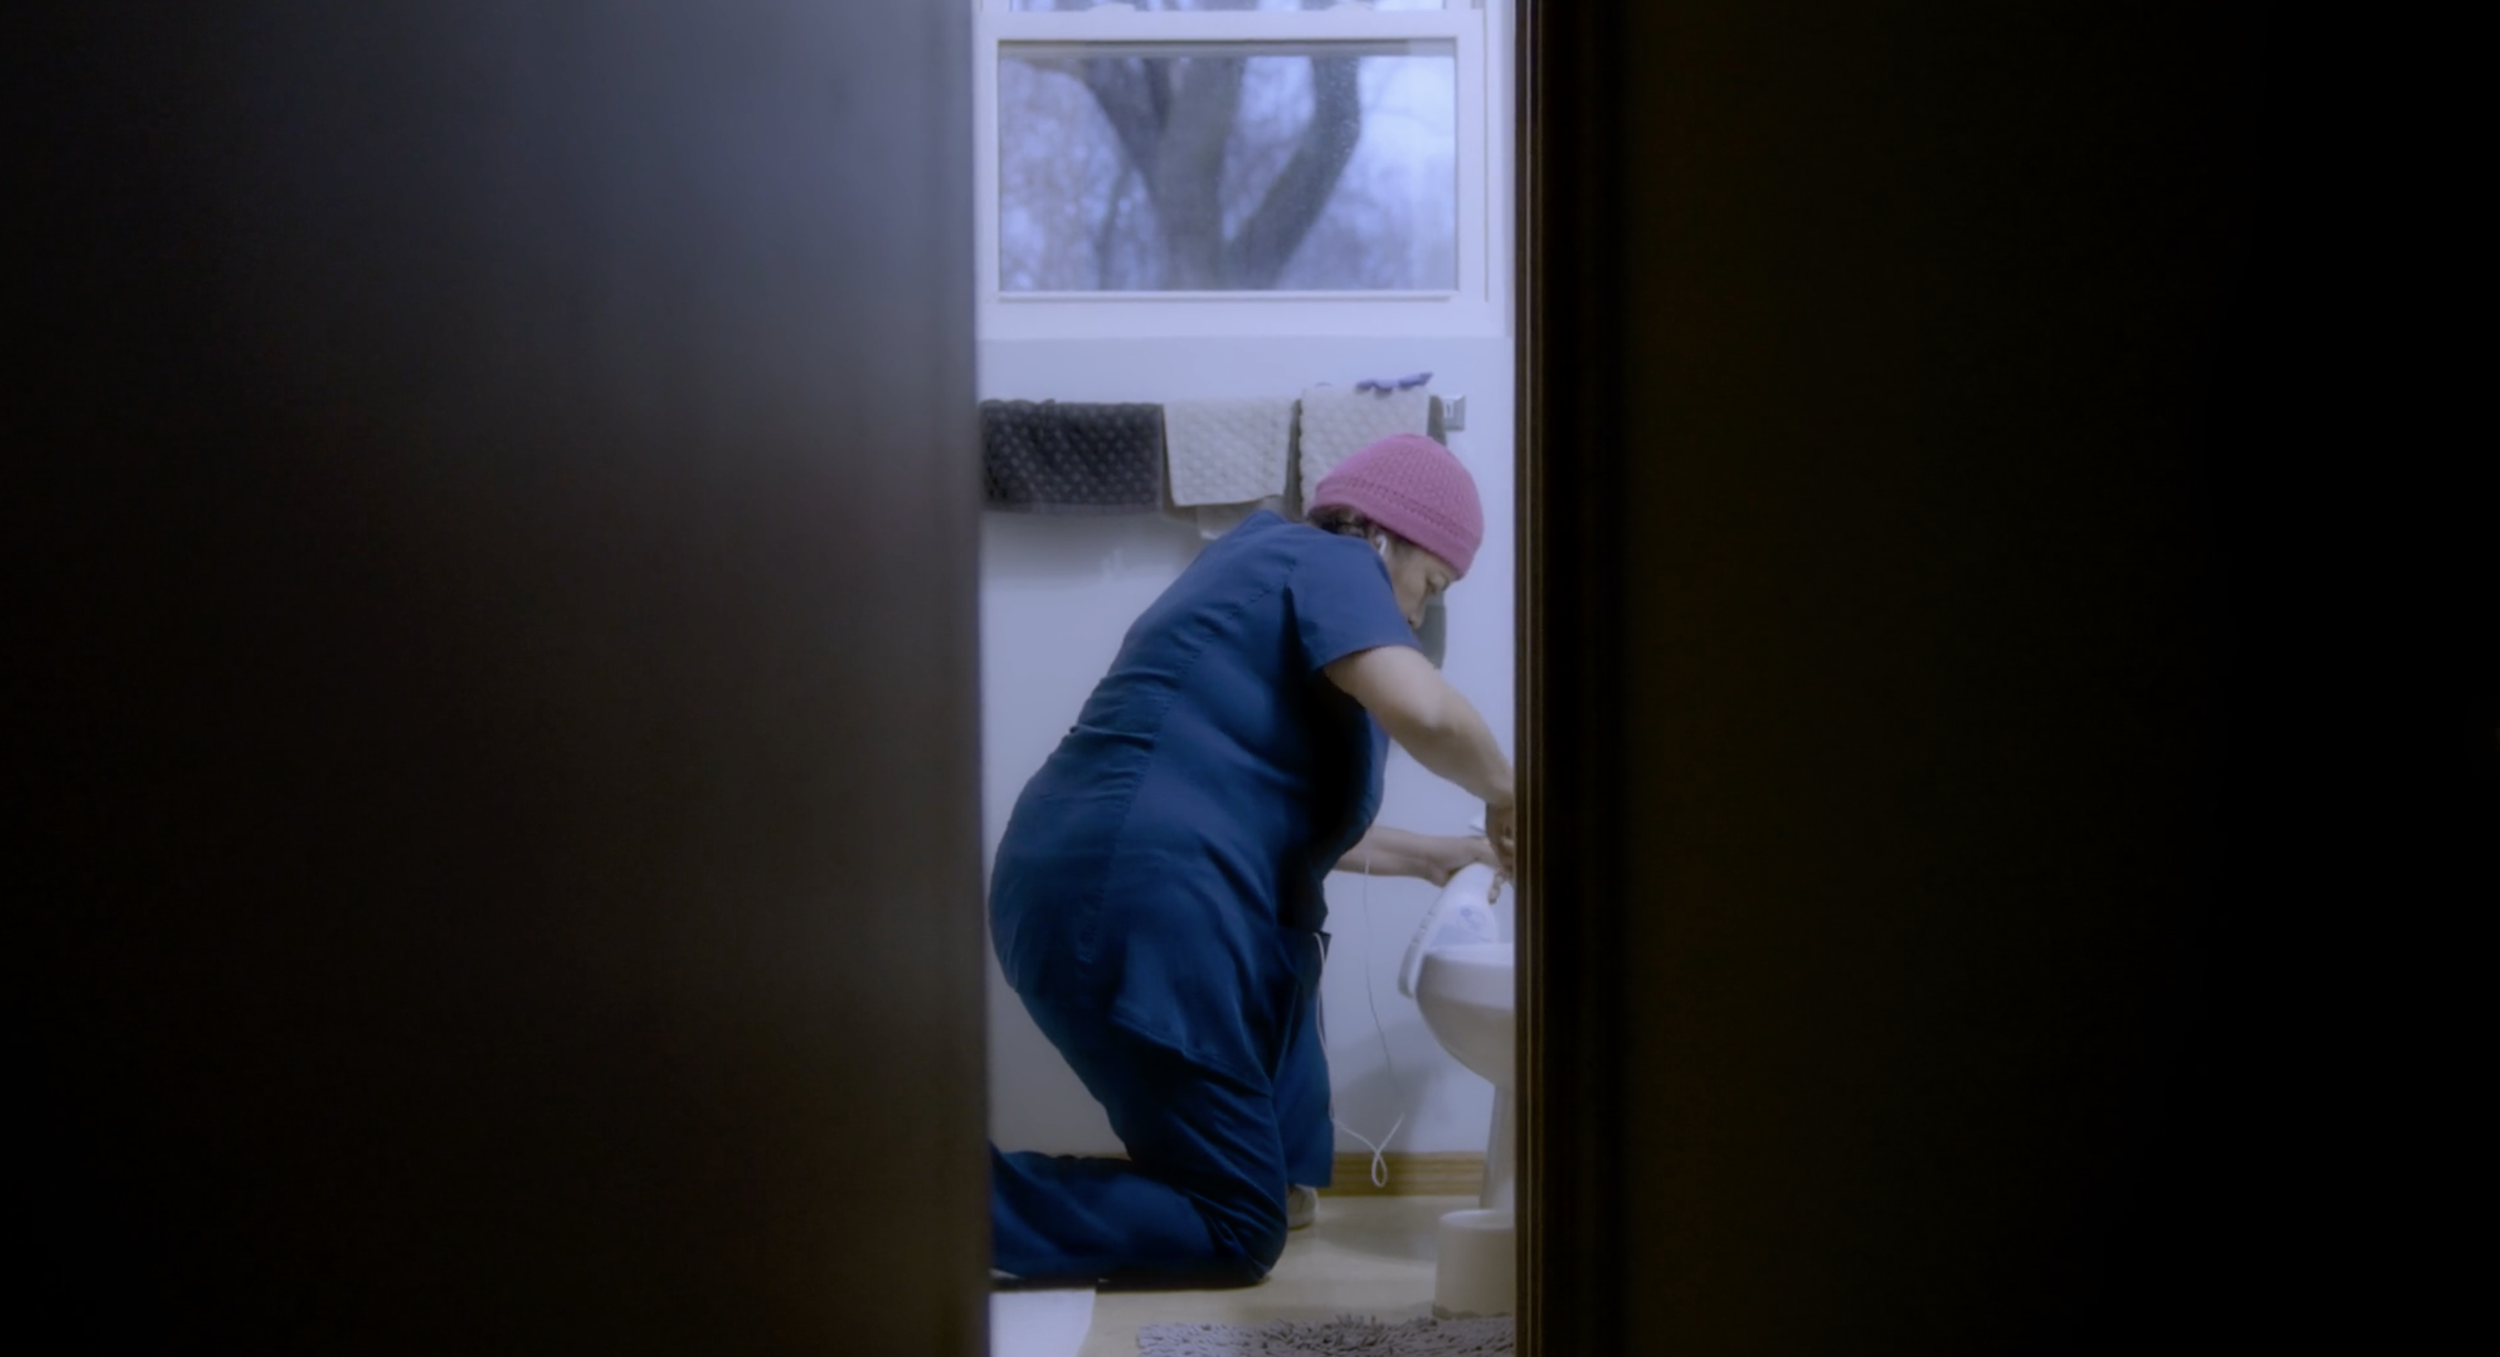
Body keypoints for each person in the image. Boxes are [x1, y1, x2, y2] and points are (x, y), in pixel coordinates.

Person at [987, 433, 1519, 1287]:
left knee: (1279, 1181)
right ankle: (926, 1197)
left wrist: (1435, 858)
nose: (1419, 615)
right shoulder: (1333, 559)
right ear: (1386, 535)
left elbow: (1264, 818)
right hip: (1133, 897)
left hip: (1111, 879)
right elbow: (1427, 712)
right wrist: (1513, 793)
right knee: (1240, 1225)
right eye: (1432, 585)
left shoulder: (1265, 570)